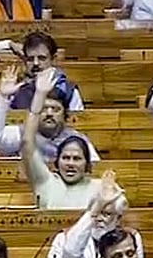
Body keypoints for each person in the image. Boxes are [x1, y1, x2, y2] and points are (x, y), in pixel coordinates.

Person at [21, 69, 102, 209]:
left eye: (76, 159)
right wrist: (39, 96)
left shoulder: (100, 188)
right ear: (57, 163)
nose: (70, 163)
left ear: (87, 165)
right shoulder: (45, 181)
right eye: (65, 158)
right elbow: (27, 142)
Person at [0, 65, 98, 162]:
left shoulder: (77, 139)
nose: (49, 113)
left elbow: (96, 167)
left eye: (55, 109)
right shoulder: (21, 133)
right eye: (44, 109)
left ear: (65, 115)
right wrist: (2, 97)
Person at [46, 170, 144, 258]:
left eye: (106, 214)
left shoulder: (131, 238)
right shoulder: (64, 238)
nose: (99, 219)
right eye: (96, 212)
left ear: (118, 218)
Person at [7, 32, 84, 111]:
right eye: (30, 59)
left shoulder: (66, 90)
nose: (35, 63)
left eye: (42, 58)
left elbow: (77, 120)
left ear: (53, 59)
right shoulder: (18, 90)